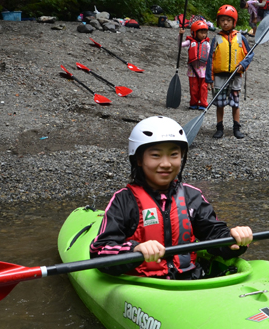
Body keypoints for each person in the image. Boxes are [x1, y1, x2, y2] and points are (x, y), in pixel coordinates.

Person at [90, 116, 253, 279]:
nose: (166, 163)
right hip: (144, 284)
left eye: (174, 155)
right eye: (156, 155)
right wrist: (134, 249)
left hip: (188, 278)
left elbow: (214, 234)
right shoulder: (124, 201)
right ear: (139, 159)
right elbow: (99, 251)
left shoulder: (192, 197)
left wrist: (234, 239)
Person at [205, 4, 251, 139]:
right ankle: (219, 128)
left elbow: (249, 55)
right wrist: (209, 79)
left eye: (228, 20)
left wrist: (244, 64)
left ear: (234, 22)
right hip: (219, 76)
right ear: (218, 22)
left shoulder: (241, 38)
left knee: (235, 104)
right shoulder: (216, 39)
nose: (225, 23)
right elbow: (210, 60)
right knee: (220, 104)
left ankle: (236, 128)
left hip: (235, 75)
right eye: (222, 20)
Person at [179, 20, 210, 110]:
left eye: (205, 33)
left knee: (203, 89)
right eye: (201, 32)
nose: (204, 35)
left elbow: (210, 57)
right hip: (192, 70)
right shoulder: (189, 42)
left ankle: (203, 104)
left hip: (203, 71)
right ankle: (194, 103)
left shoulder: (207, 44)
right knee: (194, 88)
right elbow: (180, 45)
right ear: (194, 33)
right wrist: (180, 35)